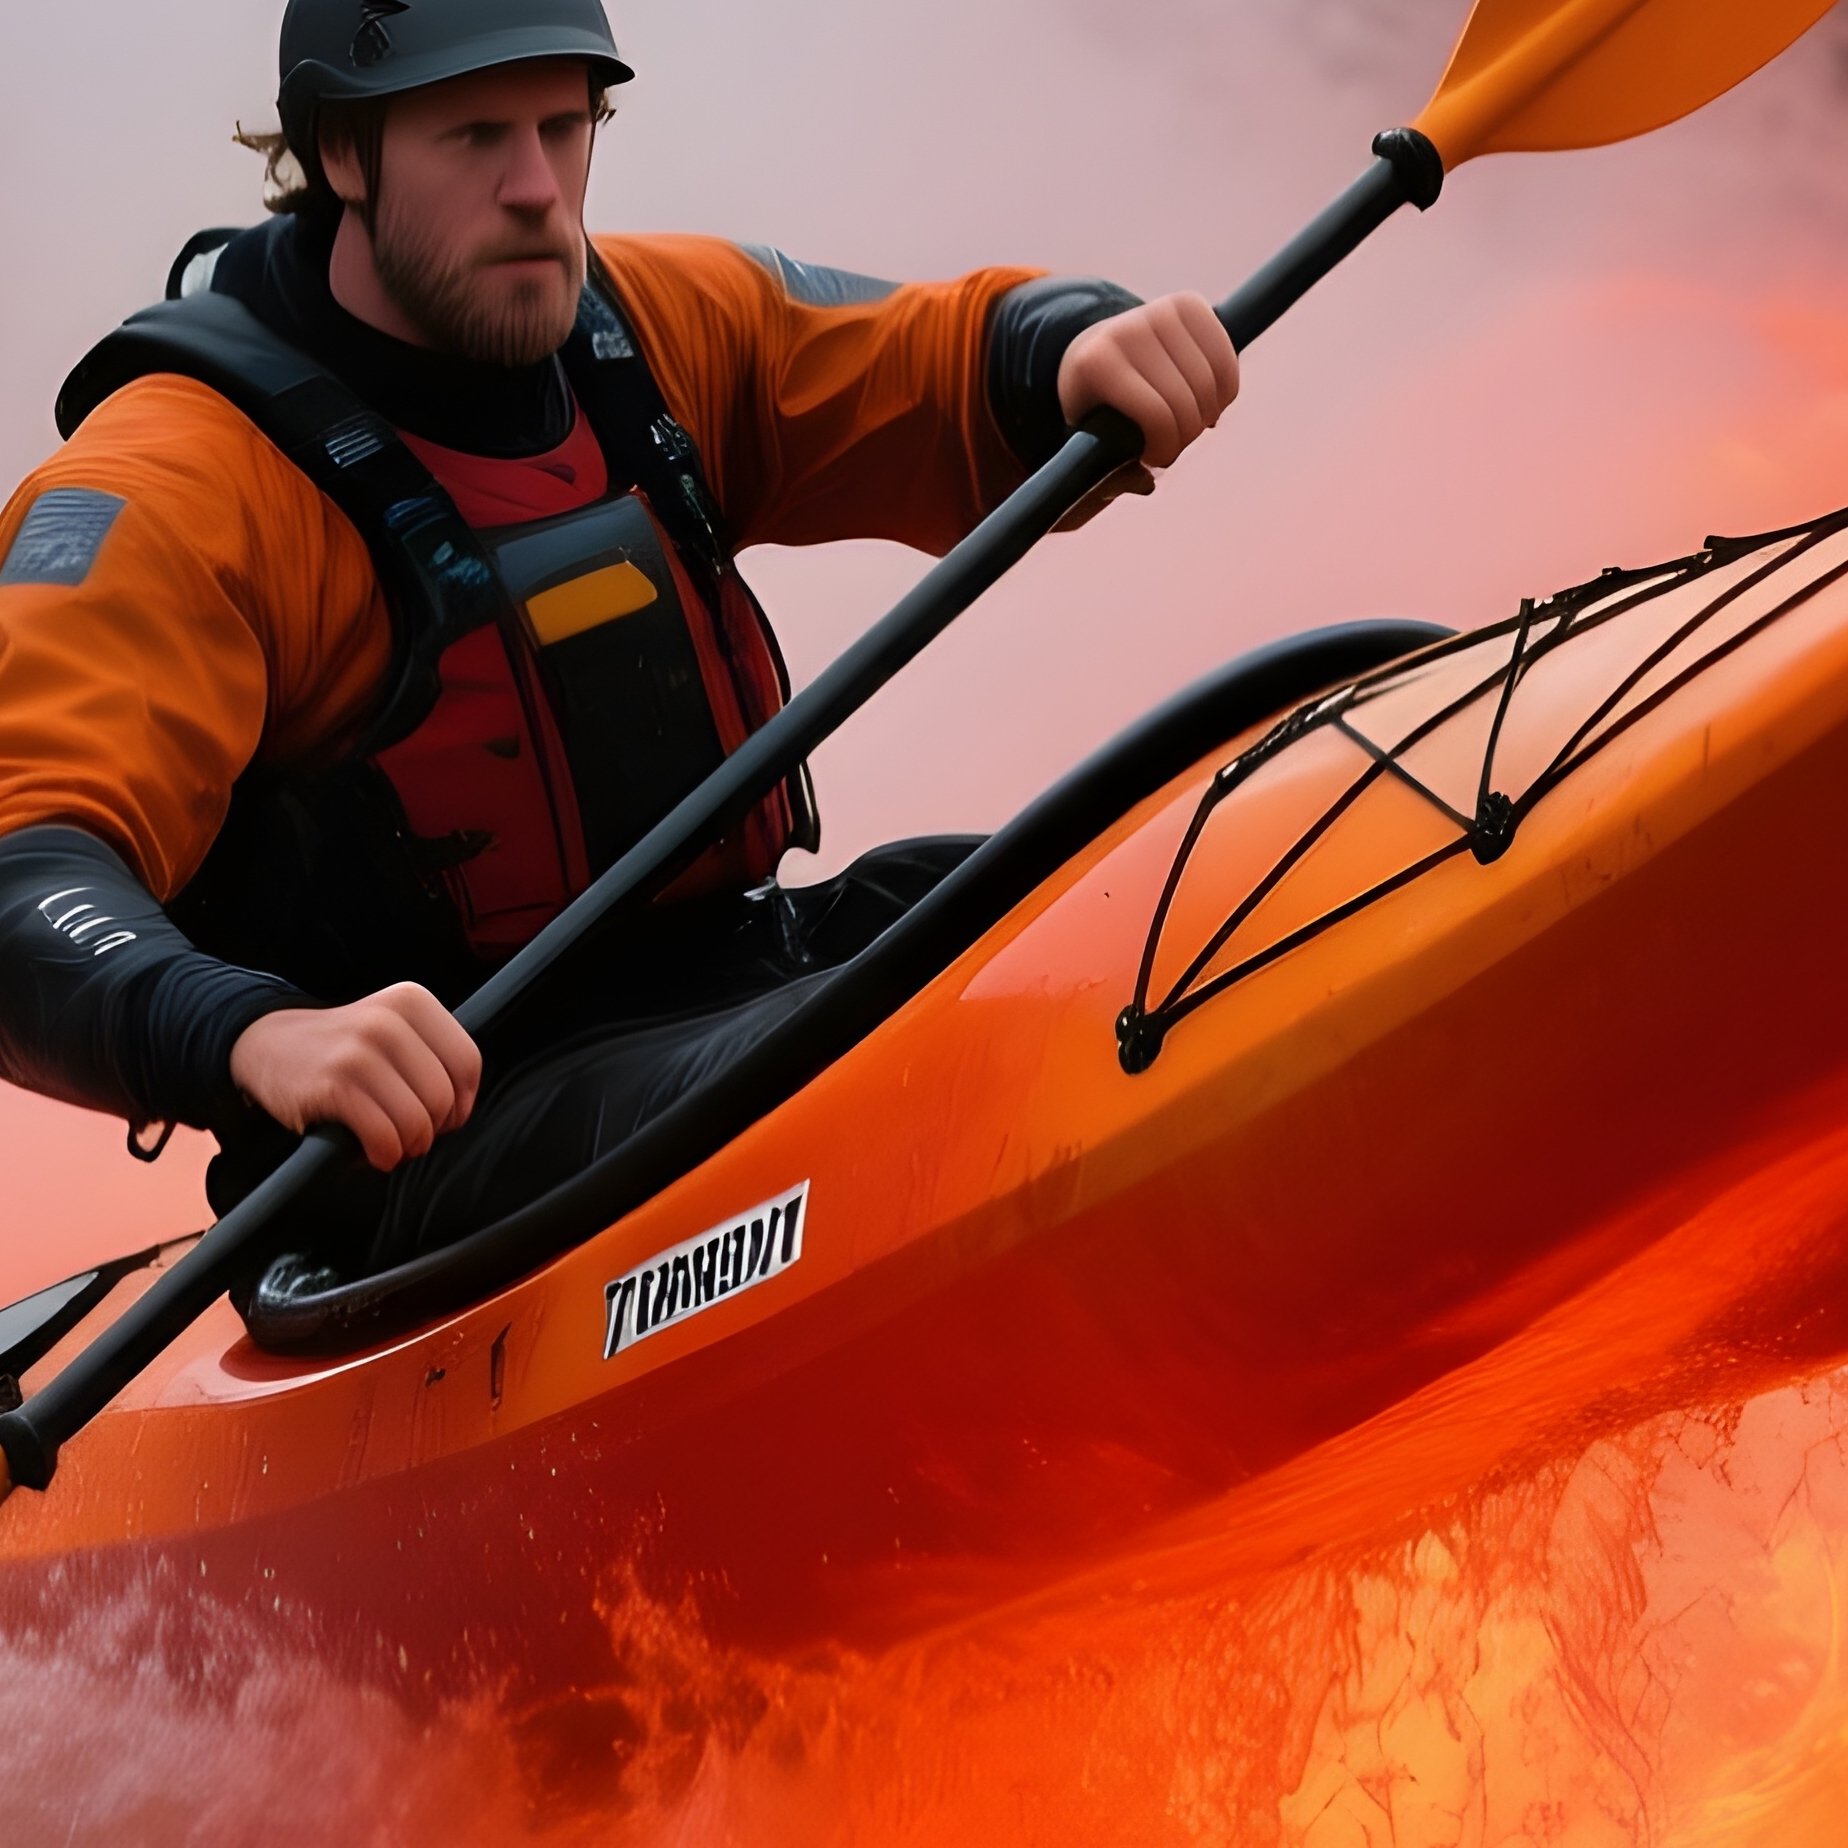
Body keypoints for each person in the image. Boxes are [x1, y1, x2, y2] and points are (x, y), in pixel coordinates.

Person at [0, 0, 1239, 1274]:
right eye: (477, 135)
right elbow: (24, 869)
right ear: (342, 156)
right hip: (433, 1131)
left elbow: (933, 356)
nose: (538, 188)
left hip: (739, 969)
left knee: (1137, 880)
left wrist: (1070, 342)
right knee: (893, 1044)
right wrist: (253, 1036)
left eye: (564, 124)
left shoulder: (640, 328)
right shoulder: (171, 487)